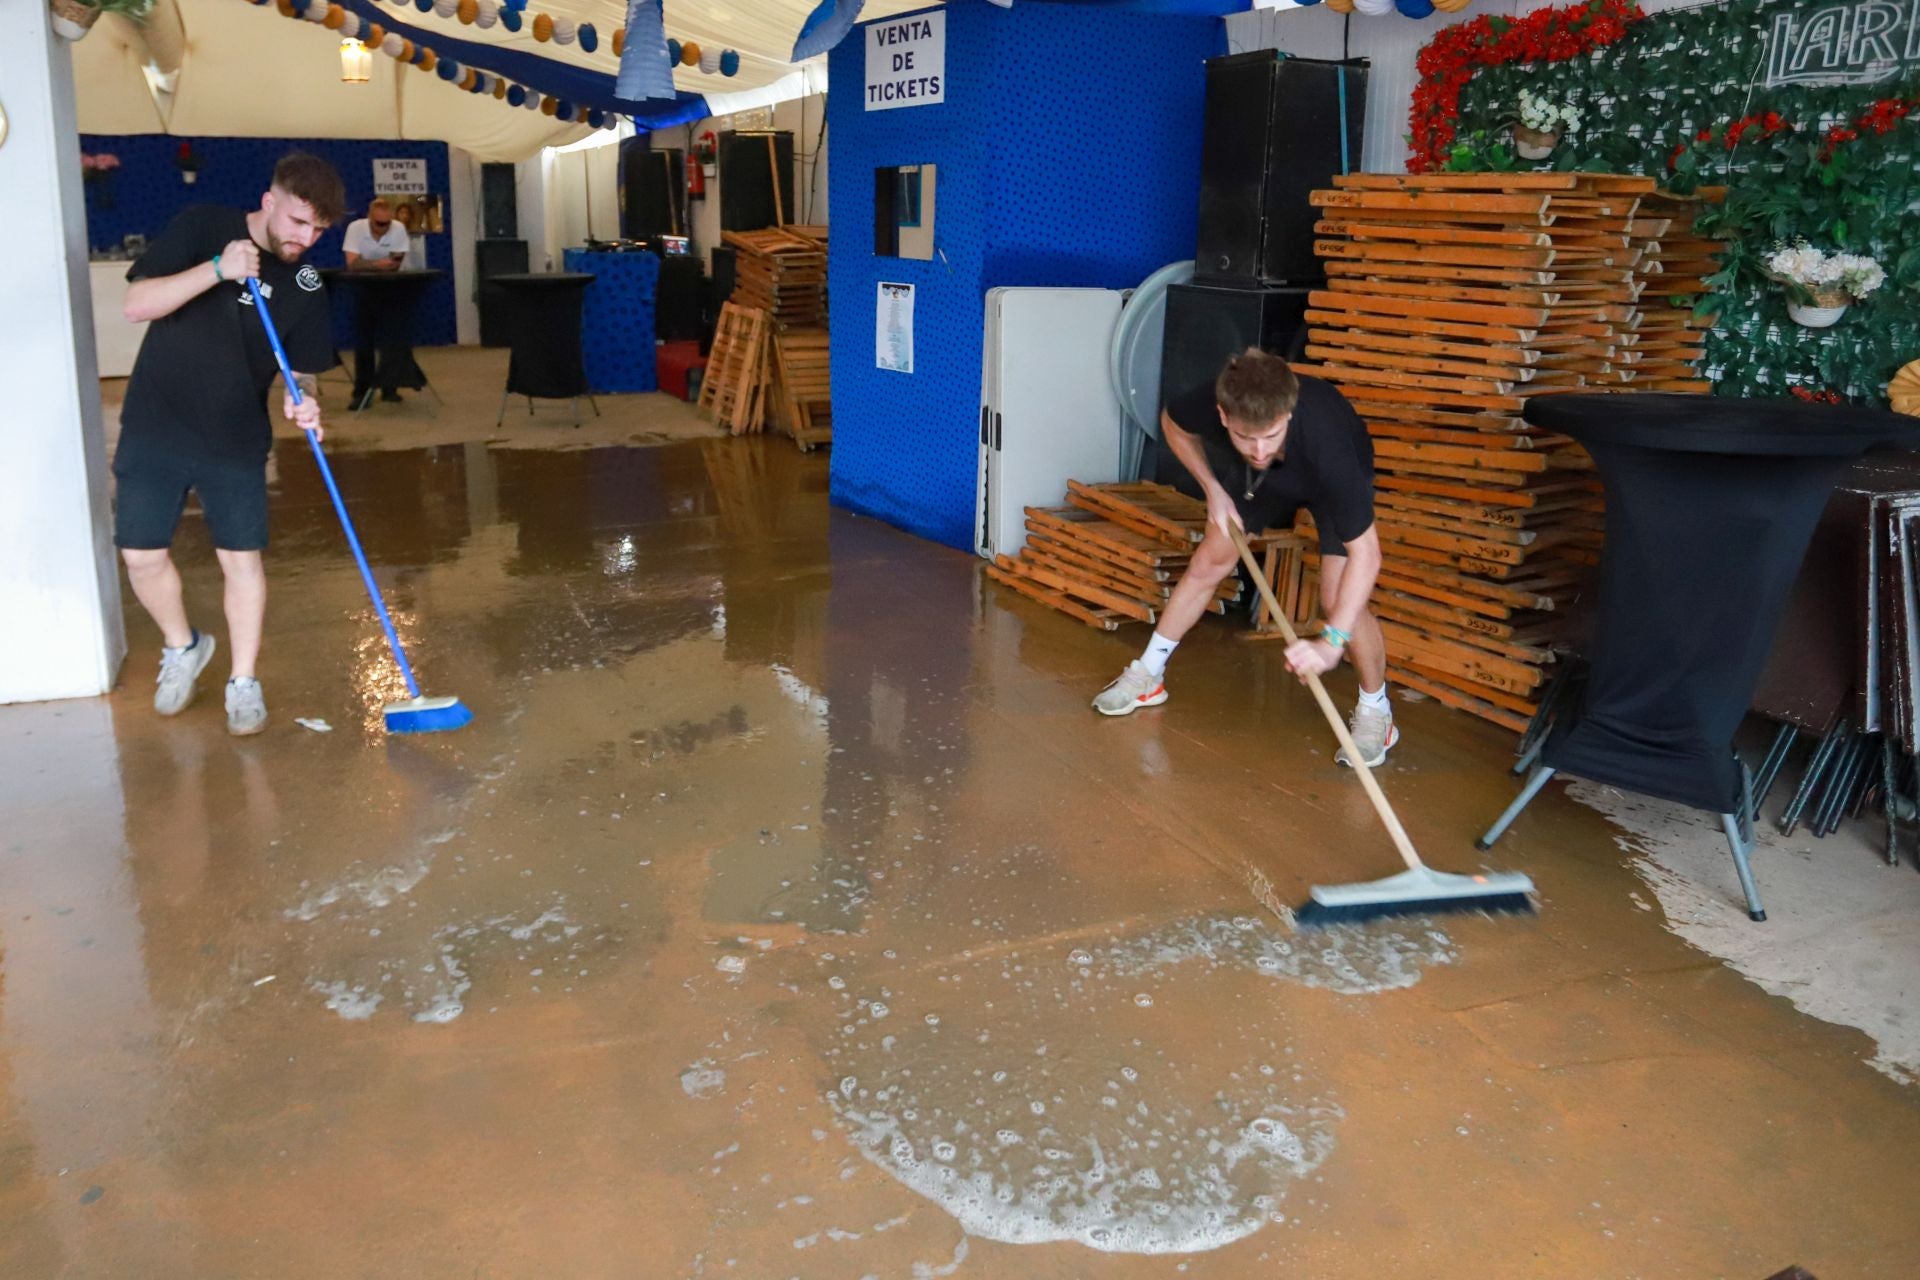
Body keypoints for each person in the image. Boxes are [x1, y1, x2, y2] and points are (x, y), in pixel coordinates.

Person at [115, 152, 344, 736]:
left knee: (240, 561)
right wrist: (217, 268)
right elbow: (137, 303)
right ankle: (183, 646)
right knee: (140, 556)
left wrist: (303, 396)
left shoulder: (306, 280)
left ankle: (243, 680)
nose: (306, 239)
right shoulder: (203, 228)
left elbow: (303, 367)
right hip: (156, 422)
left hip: (235, 435)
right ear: (269, 202)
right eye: (297, 222)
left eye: (319, 229)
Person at [1092, 348, 1398, 767]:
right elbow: (1174, 425)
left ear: (1287, 414)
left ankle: (1376, 711)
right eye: (1244, 438)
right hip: (1267, 481)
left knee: (1338, 599)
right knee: (1209, 562)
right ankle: (1148, 673)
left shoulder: (1330, 444)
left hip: (1327, 477)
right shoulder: (1227, 401)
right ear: (1223, 416)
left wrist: (1331, 644)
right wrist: (1213, 490)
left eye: (1269, 436)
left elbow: (1368, 555)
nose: (1256, 449)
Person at [342, 198, 412, 405]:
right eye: (379, 224)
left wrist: (369, 264)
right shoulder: (355, 229)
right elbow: (352, 264)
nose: (383, 229)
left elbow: (395, 264)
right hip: (362, 288)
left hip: (390, 288)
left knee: (391, 340)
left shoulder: (398, 229)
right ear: (369, 218)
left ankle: (390, 387)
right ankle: (362, 391)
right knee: (364, 342)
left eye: (387, 224)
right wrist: (378, 264)